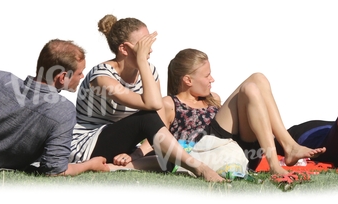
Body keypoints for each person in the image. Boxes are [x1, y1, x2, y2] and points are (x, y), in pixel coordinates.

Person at [69, 15, 226, 182]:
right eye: (144, 44)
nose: (150, 50)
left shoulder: (148, 71)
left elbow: (157, 118)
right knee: (148, 117)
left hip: (122, 142)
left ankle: (112, 167)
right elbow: (152, 106)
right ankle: (199, 168)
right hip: (87, 144)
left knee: (166, 157)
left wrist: (138, 153)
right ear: (124, 49)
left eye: (150, 44)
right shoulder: (101, 77)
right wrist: (142, 61)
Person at [0, 39, 110, 176]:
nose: (82, 76)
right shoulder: (63, 111)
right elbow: (55, 169)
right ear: (62, 77)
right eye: (79, 73)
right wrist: (89, 165)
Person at [159, 48, 326, 176]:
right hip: (208, 152)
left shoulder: (212, 98)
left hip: (239, 153)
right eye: (207, 75)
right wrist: (136, 156)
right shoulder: (170, 103)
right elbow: (157, 137)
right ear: (188, 80)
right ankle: (278, 160)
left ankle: (287, 148)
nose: (212, 79)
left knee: (257, 81)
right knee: (251, 86)